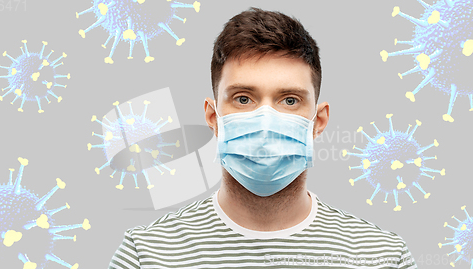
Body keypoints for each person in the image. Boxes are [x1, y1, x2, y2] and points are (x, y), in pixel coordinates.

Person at [109, 7, 417, 268]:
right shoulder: (147, 254)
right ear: (214, 117)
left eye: (290, 100)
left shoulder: (382, 257)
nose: (266, 122)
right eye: (243, 99)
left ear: (318, 121)